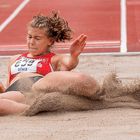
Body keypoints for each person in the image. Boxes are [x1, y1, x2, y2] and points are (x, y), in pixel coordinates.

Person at [0, 11, 100, 115]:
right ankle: (36, 108)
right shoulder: (14, 59)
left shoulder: (55, 59)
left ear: (50, 41)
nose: (31, 42)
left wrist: (73, 56)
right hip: (17, 91)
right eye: (29, 37)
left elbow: (70, 63)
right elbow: (7, 87)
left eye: (37, 38)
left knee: (81, 80)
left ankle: (98, 94)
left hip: (41, 84)